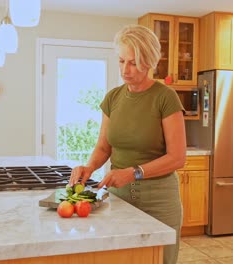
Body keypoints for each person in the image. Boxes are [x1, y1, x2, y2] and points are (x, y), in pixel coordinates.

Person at [68, 24, 186, 264]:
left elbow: (177, 158)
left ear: (150, 61)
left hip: (159, 202)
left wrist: (134, 173)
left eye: (133, 62)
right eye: (121, 61)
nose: (125, 70)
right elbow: (104, 147)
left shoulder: (165, 97)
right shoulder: (113, 97)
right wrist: (88, 168)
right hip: (119, 199)